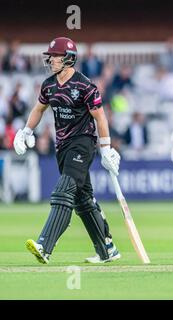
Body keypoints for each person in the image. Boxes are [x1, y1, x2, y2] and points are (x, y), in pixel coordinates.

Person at [13, 37, 121, 264]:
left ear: (68, 59)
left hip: (83, 143)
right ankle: (107, 249)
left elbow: (100, 117)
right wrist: (25, 132)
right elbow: (38, 109)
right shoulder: (49, 84)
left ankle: (45, 245)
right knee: (83, 200)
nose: (51, 60)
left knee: (64, 191)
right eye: (51, 56)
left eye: (55, 56)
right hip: (62, 146)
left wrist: (106, 149)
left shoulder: (85, 85)